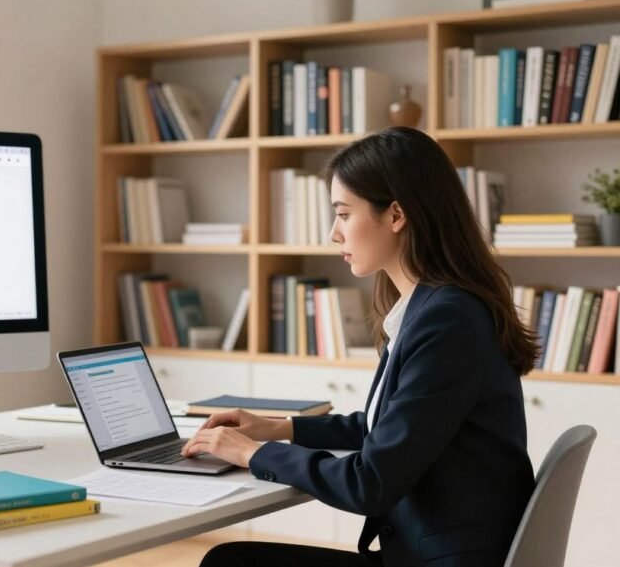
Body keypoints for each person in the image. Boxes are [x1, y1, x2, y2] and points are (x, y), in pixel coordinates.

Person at [182, 127, 537, 567]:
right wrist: (278, 428)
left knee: (230, 562)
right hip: (437, 551)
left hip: (437, 560)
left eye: (344, 214)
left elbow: (369, 482)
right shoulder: (433, 306)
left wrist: (251, 453)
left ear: (396, 215)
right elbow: (387, 427)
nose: (334, 233)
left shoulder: (447, 320)